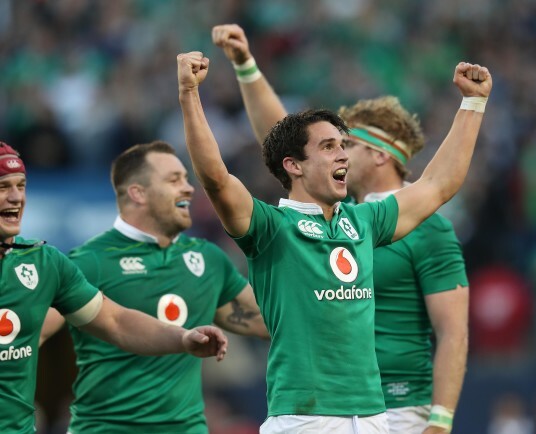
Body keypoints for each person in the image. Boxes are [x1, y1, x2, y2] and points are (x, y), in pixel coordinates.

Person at [177, 40, 491, 434]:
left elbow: (439, 184)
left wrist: (473, 104)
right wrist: (189, 94)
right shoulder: (270, 228)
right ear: (293, 166)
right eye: (330, 147)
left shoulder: (364, 222)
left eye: (345, 146)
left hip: (375, 417)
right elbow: (216, 178)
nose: (343, 155)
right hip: (306, 418)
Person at [40, 141, 269, 434]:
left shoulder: (207, 259)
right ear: (138, 193)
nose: (188, 188)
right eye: (174, 180)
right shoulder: (90, 262)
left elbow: (269, 319)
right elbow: (30, 335)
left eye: (186, 179)